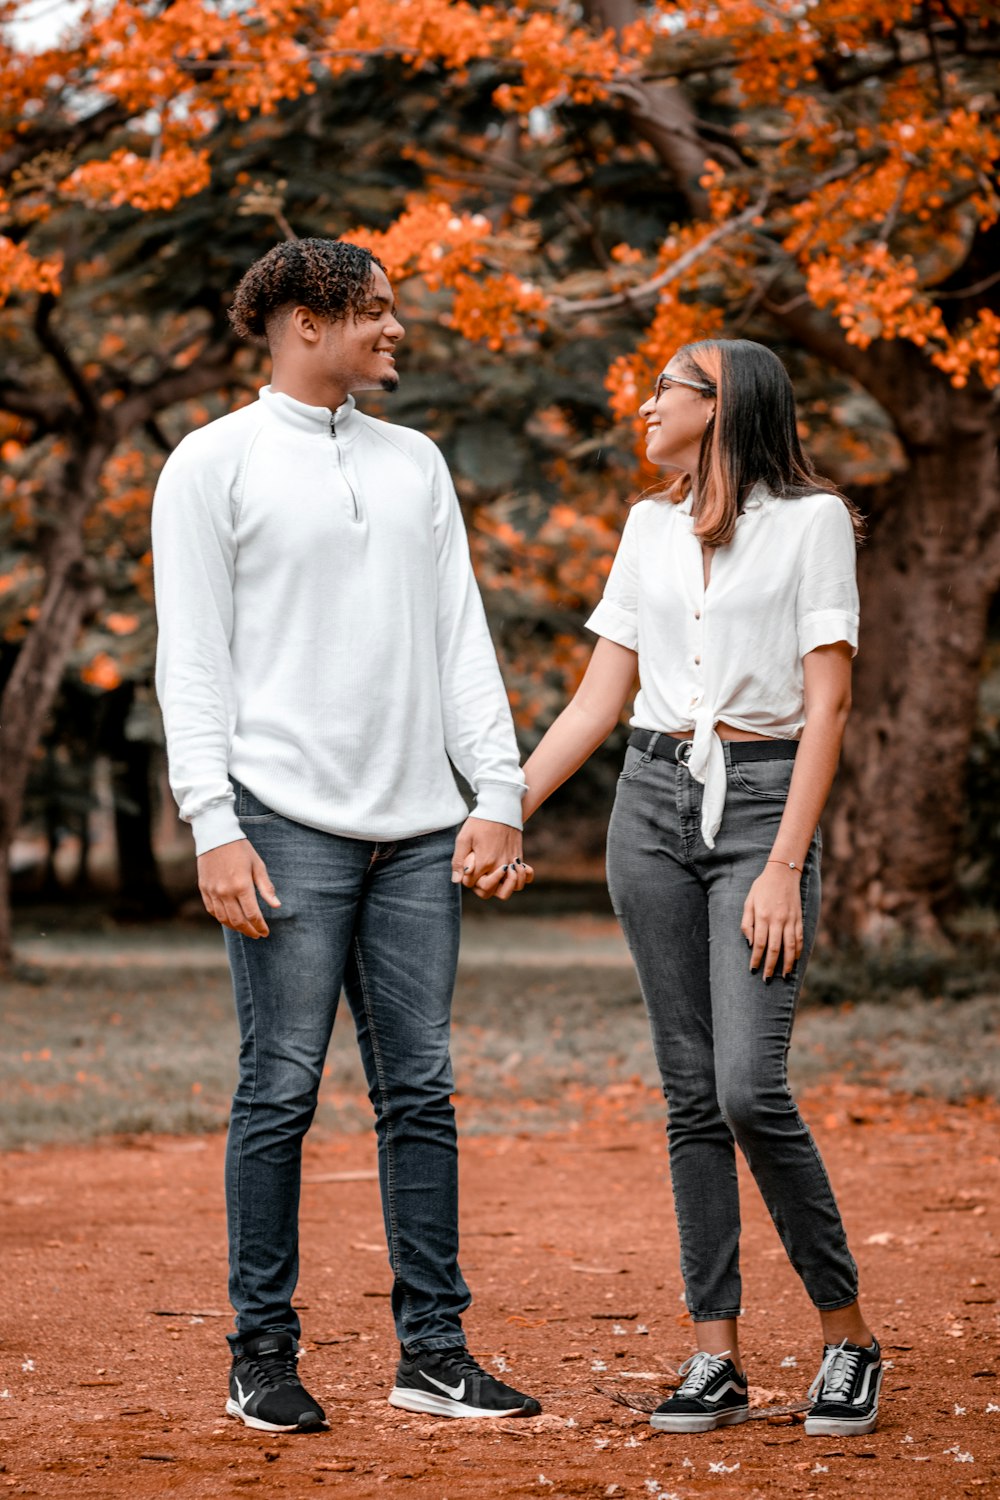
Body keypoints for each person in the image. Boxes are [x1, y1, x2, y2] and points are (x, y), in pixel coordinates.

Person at [151, 237, 540, 1433]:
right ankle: (260, 1354)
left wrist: (499, 790)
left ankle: (433, 1352)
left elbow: (459, 635)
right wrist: (211, 821)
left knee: (420, 1091)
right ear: (303, 322)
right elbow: (192, 658)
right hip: (282, 820)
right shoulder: (209, 463)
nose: (395, 330)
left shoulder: (415, 460)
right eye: (373, 313)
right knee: (278, 1091)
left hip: (421, 827)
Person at [482, 338, 880, 1438]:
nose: (645, 400)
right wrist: (502, 806)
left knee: (752, 1086)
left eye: (666, 386)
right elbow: (594, 700)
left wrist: (786, 868)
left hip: (759, 807)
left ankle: (847, 1337)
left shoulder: (812, 525)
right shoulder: (646, 528)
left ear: (722, 406)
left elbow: (828, 709)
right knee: (690, 1092)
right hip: (649, 805)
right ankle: (716, 1355)